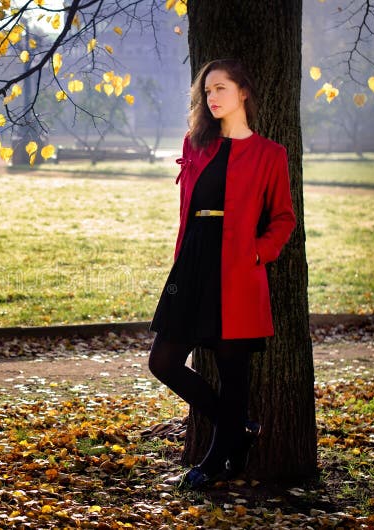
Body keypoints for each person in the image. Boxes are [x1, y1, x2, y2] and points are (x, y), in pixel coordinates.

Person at [147, 58, 296, 490]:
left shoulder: (271, 154)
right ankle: (235, 429)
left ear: (243, 92)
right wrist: (181, 259)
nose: (211, 98)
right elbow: (186, 213)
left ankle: (215, 458)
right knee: (163, 361)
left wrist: (259, 254)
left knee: (234, 372)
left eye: (221, 89)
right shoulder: (196, 145)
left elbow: (283, 219)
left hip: (239, 270)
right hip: (193, 264)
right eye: (206, 92)